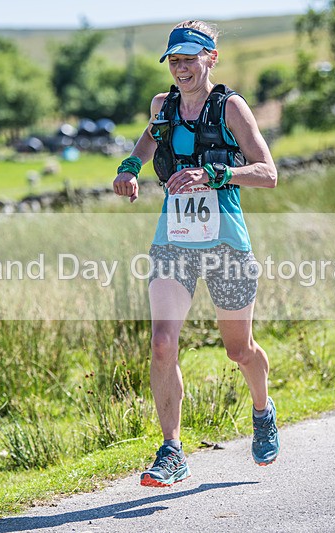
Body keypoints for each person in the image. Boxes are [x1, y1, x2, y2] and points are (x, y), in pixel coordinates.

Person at [113, 20, 279, 487]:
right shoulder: (162, 106)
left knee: (238, 350)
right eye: (175, 61)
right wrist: (129, 168)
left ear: (211, 58)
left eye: (190, 59)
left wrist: (215, 175)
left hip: (226, 243)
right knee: (163, 343)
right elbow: (147, 143)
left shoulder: (232, 108)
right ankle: (172, 450)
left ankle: (262, 411)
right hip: (173, 242)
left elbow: (268, 173)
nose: (182, 68)